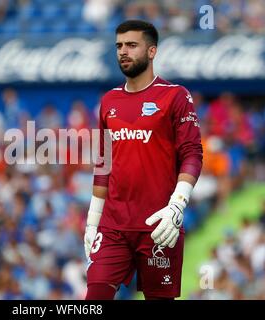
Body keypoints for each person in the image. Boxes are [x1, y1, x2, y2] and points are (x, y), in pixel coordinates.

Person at [84, 20, 203, 300]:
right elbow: (103, 165)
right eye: (119, 46)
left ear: (151, 51)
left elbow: (192, 154)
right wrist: (92, 222)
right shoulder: (109, 101)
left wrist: (177, 205)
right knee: (94, 297)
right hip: (113, 228)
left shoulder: (175, 96)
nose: (123, 51)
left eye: (131, 45)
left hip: (160, 227)